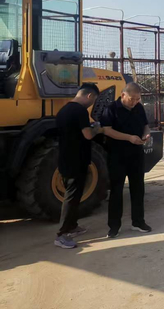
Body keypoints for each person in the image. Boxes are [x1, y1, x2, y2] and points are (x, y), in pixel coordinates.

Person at [54, 83, 103, 249]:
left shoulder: (64, 110)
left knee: (75, 195)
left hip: (65, 157)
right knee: (72, 196)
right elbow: (87, 135)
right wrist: (97, 129)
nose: (92, 103)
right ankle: (62, 235)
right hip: (76, 160)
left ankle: (72, 226)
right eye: (94, 100)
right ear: (89, 96)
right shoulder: (80, 111)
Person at [100, 82, 151, 238]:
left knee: (138, 188)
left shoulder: (139, 108)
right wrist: (129, 138)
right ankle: (114, 226)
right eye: (132, 99)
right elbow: (107, 130)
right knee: (116, 190)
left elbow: (146, 125)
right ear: (123, 95)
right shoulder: (111, 109)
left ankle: (138, 221)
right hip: (117, 155)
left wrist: (146, 134)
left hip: (136, 154)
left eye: (137, 99)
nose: (134, 102)